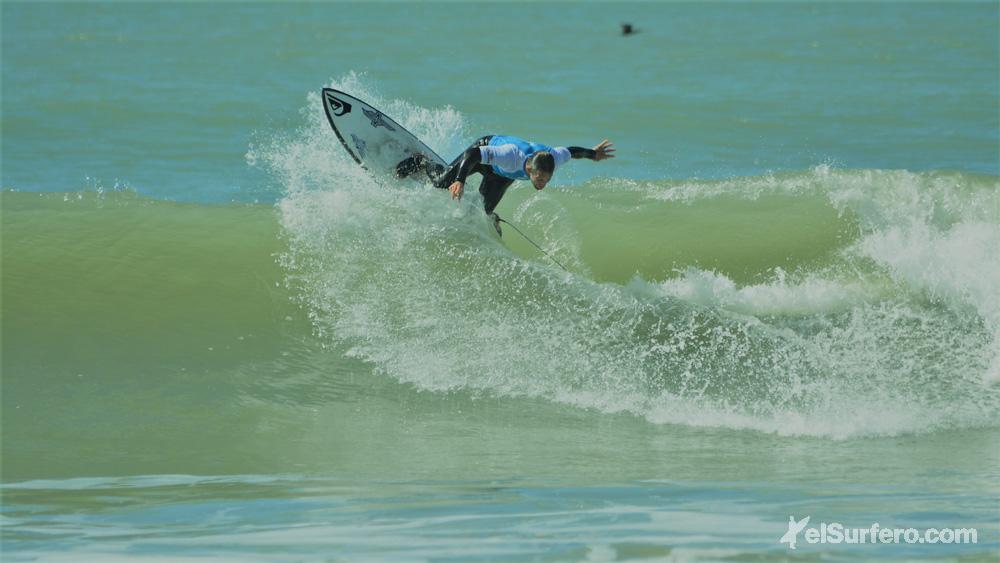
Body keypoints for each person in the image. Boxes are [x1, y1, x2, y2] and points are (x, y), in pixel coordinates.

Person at [395, 135, 615, 217]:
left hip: (501, 175)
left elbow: (572, 151)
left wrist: (593, 154)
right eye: (540, 179)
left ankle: (494, 218)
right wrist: (459, 180)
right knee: (442, 183)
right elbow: (472, 155)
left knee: (482, 214)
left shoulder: (554, 158)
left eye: (546, 180)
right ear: (531, 170)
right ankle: (421, 161)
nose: (543, 184)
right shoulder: (511, 156)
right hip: (483, 154)